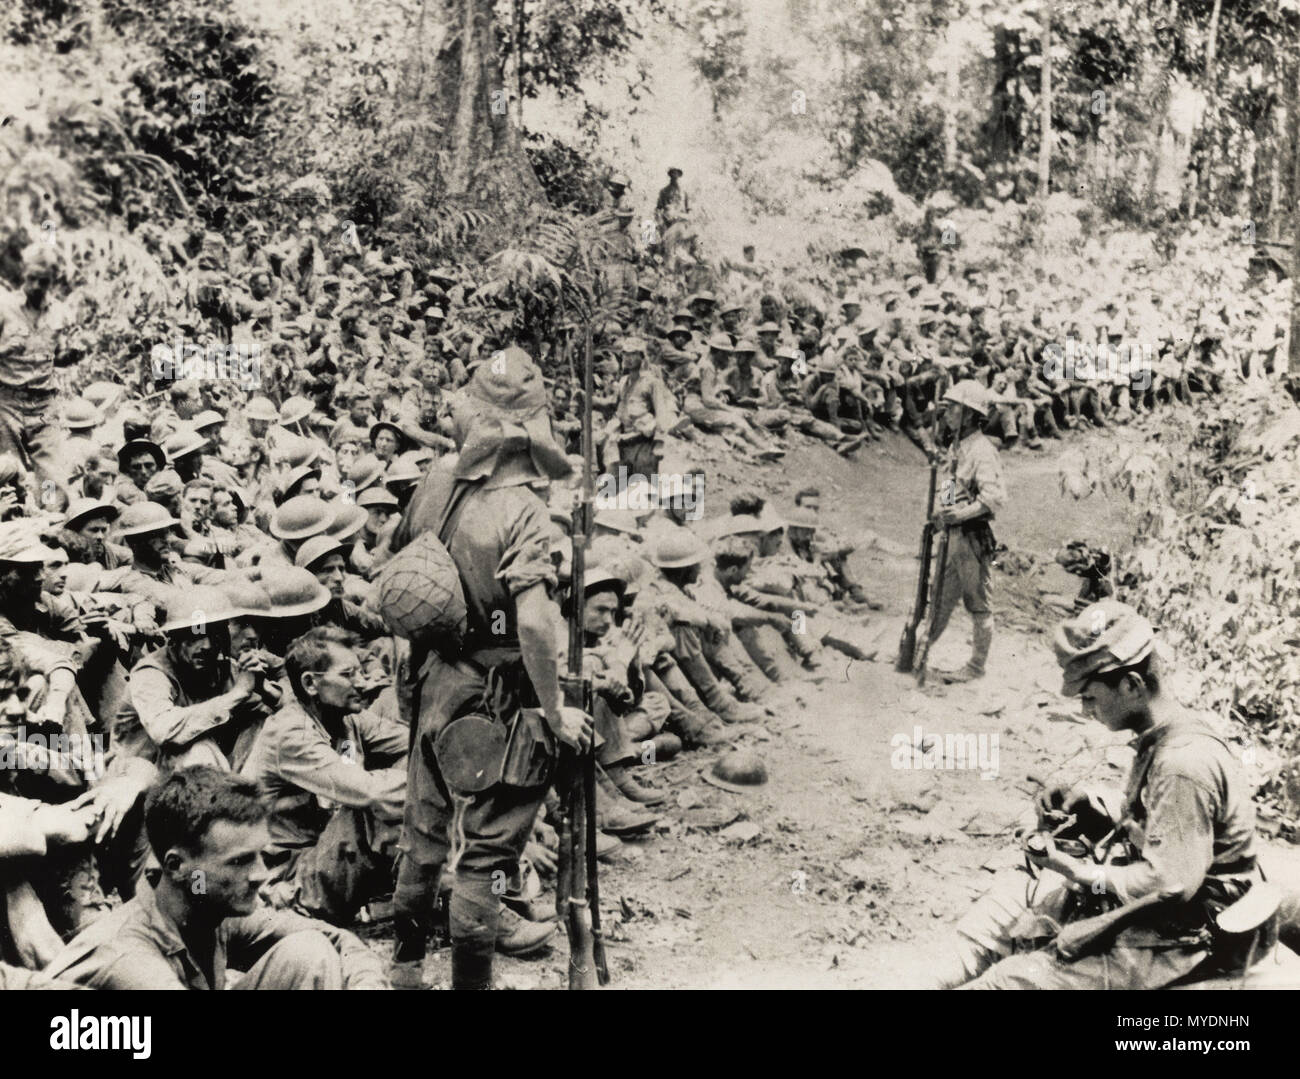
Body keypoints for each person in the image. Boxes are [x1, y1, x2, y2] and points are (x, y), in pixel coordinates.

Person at [388, 346, 593, 990]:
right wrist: (555, 709)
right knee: (486, 858)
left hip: (432, 679)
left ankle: (405, 969)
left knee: (421, 836)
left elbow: (405, 569)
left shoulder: (438, 477)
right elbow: (533, 622)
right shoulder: (526, 510)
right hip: (497, 699)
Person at [934, 601, 1273, 989]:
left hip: (1183, 937)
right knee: (993, 926)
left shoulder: (1183, 763)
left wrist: (1077, 871)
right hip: (1152, 912)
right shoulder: (1164, 737)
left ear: (1131, 685)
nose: (1084, 709)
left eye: (1090, 697)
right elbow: (1156, 834)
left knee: (1008, 982)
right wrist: (1087, 814)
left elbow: (1170, 885)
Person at [44, 765, 388, 989]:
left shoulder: (201, 900)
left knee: (308, 952)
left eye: (259, 856)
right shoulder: (133, 963)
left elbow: (336, 940)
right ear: (178, 867)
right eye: (239, 861)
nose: (260, 875)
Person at [241, 627, 406, 925]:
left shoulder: (346, 718)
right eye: (348, 675)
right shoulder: (290, 732)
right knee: (373, 806)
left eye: (360, 671)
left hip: (326, 857)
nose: (362, 681)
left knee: (409, 773)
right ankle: (458, 895)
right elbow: (369, 792)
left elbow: (416, 745)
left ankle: (445, 890)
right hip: (287, 874)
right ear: (311, 684)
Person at [924, 380, 1005, 683]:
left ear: (970, 414)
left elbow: (993, 497)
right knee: (939, 596)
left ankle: (976, 667)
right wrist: (939, 515)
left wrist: (959, 514)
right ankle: (920, 649)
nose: (947, 414)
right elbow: (950, 487)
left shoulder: (982, 450)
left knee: (979, 605)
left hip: (971, 536)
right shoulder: (958, 447)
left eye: (954, 408)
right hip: (952, 536)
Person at [0, 244, 79, 488]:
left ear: (53, 280)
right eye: (31, 278)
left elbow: (60, 357)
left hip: (43, 402)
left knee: (52, 476)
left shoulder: (60, 314)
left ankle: (51, 519)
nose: (35, 286)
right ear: (24, 273)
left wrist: (73, 354)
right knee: (11, 469)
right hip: (7, 402)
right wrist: (5, 349)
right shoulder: (4, 308)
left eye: (42, 281)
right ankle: (18, 518)